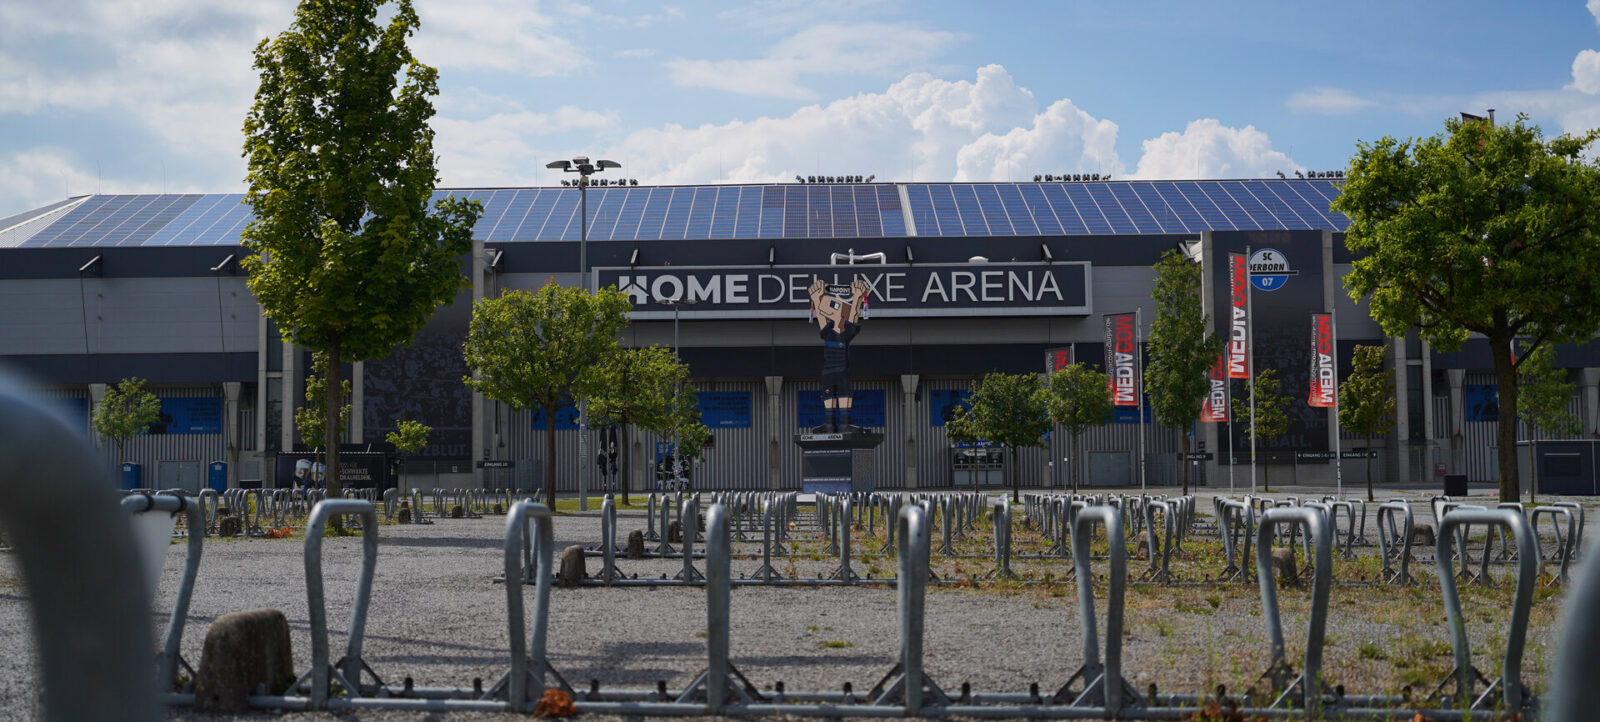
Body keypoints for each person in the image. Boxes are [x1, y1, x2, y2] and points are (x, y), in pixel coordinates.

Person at [808, 278, 870, 433]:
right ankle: (829, 424)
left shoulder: (846, 333)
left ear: (843, 315)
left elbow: (853, 315)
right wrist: (816, 298)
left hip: (841, 371)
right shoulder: (827, 331)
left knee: (844, 394)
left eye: (834, 306)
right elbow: (821, 316)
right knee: (828, 396)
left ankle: (844, 424)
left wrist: (857, 297)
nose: (828, 307)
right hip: (827, 372)